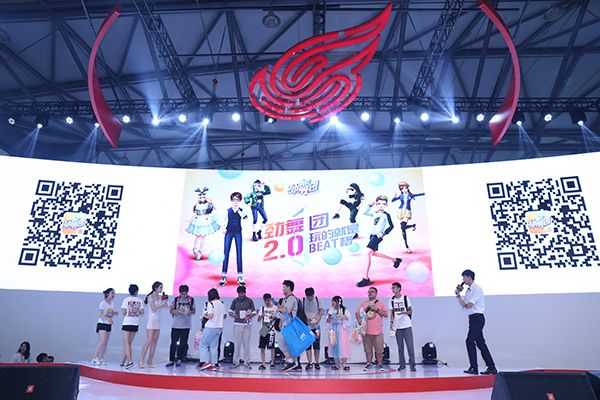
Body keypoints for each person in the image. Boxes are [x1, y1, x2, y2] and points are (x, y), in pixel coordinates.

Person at [455, 269, 497, 375]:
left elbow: (469, 305)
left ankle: (474, 367)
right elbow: (464, 306)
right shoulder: (468, 291)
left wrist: (465, 304)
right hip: (472, 319)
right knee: (480, 343)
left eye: (464, 277)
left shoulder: (477, 289)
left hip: (478, 318)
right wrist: (458, 295)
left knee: (469, 341)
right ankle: (491, 367)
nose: (463, 280)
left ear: (469, 277)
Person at [356, 195, 402, 287]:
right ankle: (395, 260)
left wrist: (383, 233)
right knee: (373, 253)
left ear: (386, 205)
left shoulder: (386, 215)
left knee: (367, 253)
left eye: (383, 204)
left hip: (378, 236)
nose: (381, 205)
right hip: (372, 235)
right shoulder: (375, 213)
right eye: (379, 203)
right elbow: (364, 212)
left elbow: (391, 226)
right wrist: (370, 205)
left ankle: (366, 278)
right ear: (376, 204)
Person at [356, 287, 388, 371]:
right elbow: (357, 313)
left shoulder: (380, 304)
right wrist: (359, 320)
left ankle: (379, 364)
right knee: (368, 349)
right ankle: (368, 363)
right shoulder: (364, 303)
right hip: (366, 331)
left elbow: (385, 315)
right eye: (369, 292)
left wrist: (376, 309)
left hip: (378, 331)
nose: (370, 293)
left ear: (376, 293)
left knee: (379, 350)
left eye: (372, 291)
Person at [220, 192, 248, 286]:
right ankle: (223, 276)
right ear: (231, 200)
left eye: (237, 200)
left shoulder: (242, 210)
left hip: (238, 232)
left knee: (239, 253)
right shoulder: (228, 210)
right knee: (226, 253)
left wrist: (239, 211)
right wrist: (223, 228)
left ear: (240, 201)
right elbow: (223, 221)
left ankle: (240, 276)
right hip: (229, 232)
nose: (235, 202)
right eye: (234, 200)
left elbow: (245, 218)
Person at [139, 282, 168, 368]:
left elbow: (166, 306)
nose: (161, 289)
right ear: (155, 288)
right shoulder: (150, 297)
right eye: (160, 287)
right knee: (149, 340)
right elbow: (153, 308)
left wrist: (165, 303)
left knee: (154, 341)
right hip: (151, 320)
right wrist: (162, 304)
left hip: (157, 321)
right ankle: (141, 359)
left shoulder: (160, 297)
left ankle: (150, 360)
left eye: (162, 287)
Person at [185, 187, 220, 261]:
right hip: (198, 220)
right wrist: (190, 219)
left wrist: (212, 203)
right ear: (198, 198)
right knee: (198, 235)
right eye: (201, 197)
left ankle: (200, 251)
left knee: (203, 236)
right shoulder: (196, 205)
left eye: (203, 197)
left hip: (205, 220)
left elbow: (215, 209)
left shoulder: (208, 204)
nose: (202, 199)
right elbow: (195, 214)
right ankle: (195, 248)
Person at [166, 284, 196, 367]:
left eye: (185, 294)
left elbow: (194, 311)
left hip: (186, 325)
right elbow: (171, 311)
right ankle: (171, 359)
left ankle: (179, 359)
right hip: (176, 325)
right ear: (180, 293)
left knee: (183, 344)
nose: (184, 295)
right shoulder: (176, 299)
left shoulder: (191, 300)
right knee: (173, 343)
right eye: (182, 294)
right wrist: (178, 310)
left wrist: (188, 312)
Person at [276, 279, 302, 372]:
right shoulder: (285, 299)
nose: (282, 289)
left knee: (286, 343)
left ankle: (292, 362)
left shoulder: (291, 298)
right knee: (285, 343)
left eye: (284, 287)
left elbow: (288, 310)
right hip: (286, 325)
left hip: (290, 325)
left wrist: (278, 308)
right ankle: (291, 361)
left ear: (288, 287)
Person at [391, 182, 424, 253]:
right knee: (403, 229)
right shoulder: (400, 196)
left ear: (407, 188)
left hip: (407, 211)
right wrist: (395, 197)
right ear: (401, 190)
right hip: (401, 211)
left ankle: (412, 227)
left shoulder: (410, 195)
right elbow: (392, 201)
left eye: (405, 188)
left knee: (403, 226)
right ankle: (407, 246)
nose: (404, 190)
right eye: (402, 189)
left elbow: (419, 194)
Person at [389, 282, 416, 372]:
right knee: (400, 348)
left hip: (407, 325)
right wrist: (391, 322)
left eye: (394, 288)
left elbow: (410, 311)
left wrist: (404, 312)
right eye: (392, 288)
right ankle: (402, 365)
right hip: (398, 327)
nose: (393, 289)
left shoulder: (405, 298)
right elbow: (392, 313)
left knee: (410, 346)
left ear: (399, 288)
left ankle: (412, 365)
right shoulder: (392, 299)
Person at [197, 288, 225, 371]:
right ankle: (214, 364)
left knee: (203, 343)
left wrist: (204, 315)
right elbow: (224, 315)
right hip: (219, 327)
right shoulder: (221, 304)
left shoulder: (210, 303)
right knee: (214, 346)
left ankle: (205, 362)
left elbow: (210, 315)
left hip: (210, 327)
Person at [229, 285, 256, 368]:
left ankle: (247, 361)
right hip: (237, 324)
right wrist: (234, 315)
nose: (241, 294)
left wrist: (249, 316)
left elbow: (254, 312)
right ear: (238, 293)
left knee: (246, 343)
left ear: (245, 292)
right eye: (240, 293)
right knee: (237, 343)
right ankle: (235, 361)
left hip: (247, 324)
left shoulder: (249, 300)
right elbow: (230, 311)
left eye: (243, 293)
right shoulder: (235, 301)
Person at [120, 284, 144, 369]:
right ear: (137, 291)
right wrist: (136, 312)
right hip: (135, 323)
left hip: (127, 322)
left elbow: (123, 311)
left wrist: (129, 311)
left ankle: (130, 361)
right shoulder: (140, 300)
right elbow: (142, 312)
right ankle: (123, 361)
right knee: (128, 343)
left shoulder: (126, 299)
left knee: (126, 343)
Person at [92, 288, 118, 365]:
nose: (113, 295)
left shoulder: (112, 303)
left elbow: (109, 313)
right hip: (102, 324)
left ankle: (100, 358)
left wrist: (114, 313)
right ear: (107, 294)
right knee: (102, 341)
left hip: (108, 325)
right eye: (112, 293)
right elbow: (100, 314)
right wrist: (107, 319)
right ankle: (94, 358)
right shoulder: (103, 303)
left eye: (114, 293)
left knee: (105, 342)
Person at [326, 296, 351, 371]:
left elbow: (348, 318)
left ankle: (344, 364)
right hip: (334, 329)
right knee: (334, 346)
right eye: (332, 301)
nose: (332, 303)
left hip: (342, 329)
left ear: (338, 302)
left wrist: (341, 315)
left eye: (333, 301)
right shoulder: (331, 310)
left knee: (343, 346)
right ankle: (337, 364)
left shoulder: (344, 309)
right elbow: (328, 320)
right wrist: (329, 316)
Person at [303, 287, 323, 370]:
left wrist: (317, 319)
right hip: (307, 327)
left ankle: (317, 362)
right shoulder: (303, 301)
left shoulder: (318, 300)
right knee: (308, 345)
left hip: (316, 327)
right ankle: (310, 362)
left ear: (313, 295)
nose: (310, 298)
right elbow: (303, 312)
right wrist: (307, 318)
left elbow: (321, 310)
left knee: (317, 345)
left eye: (311, 296)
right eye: (308, 297)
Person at [257, 293, 278, 370]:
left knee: (272, 347)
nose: (267, 302)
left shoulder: (275, 308)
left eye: (268, 300)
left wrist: (273, 317)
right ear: (264, 300)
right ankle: (263, 363)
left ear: (270, 299)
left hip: (271, 328)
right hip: (264, 329)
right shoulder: (262, 308)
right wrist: (261, 317)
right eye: (265, 300)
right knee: (262, 347)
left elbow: (278, 317)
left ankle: (272, 362)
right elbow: (258, 319)